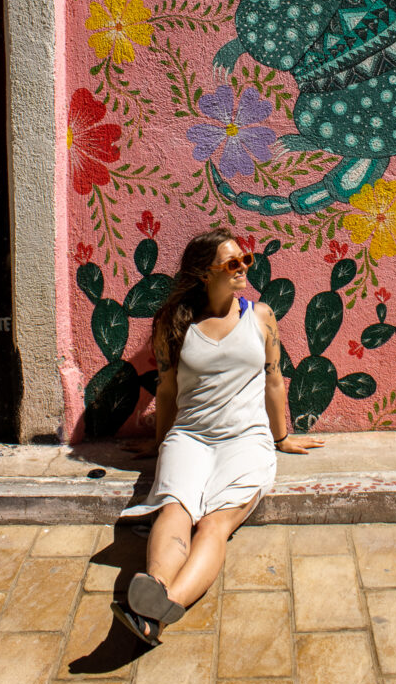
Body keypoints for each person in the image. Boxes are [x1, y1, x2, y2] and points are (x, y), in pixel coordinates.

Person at [112, 227, 323, 645]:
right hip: (190, 437)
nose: (243, 267)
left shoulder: (261, 317)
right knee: (174, 508)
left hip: (247, 439)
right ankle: (154, 589)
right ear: (204, 274)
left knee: (213, 524)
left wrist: (281, 437)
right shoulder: (174, 323)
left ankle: (156, 610)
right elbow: (167, 391)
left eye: (246, 259)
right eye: (232, 262)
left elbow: (274, 380)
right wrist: (159, 442)